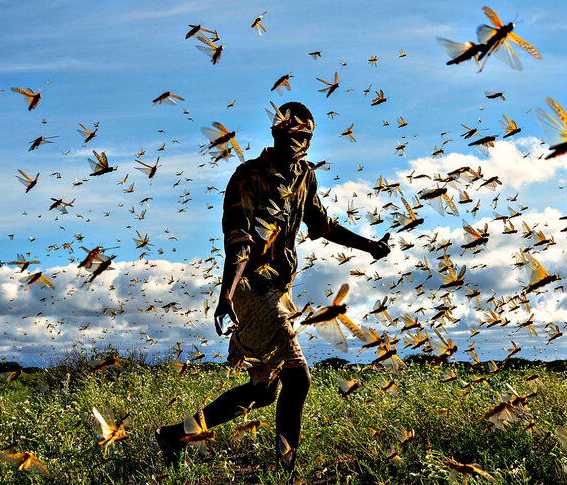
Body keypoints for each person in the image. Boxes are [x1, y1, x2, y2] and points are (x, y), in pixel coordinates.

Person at [155, 101, 391, 473]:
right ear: (276, 132)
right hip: (250, 286)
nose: (300, 142)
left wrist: (369, 245)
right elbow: (240, 241)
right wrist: (226, 294)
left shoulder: (305, 176)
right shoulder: (248, 176)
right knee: (299, 377)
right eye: (293, 133)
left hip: (279, 287)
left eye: (306, 136)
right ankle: (286, 471)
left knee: (263, 393)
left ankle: (173, 435)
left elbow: (322, 224)